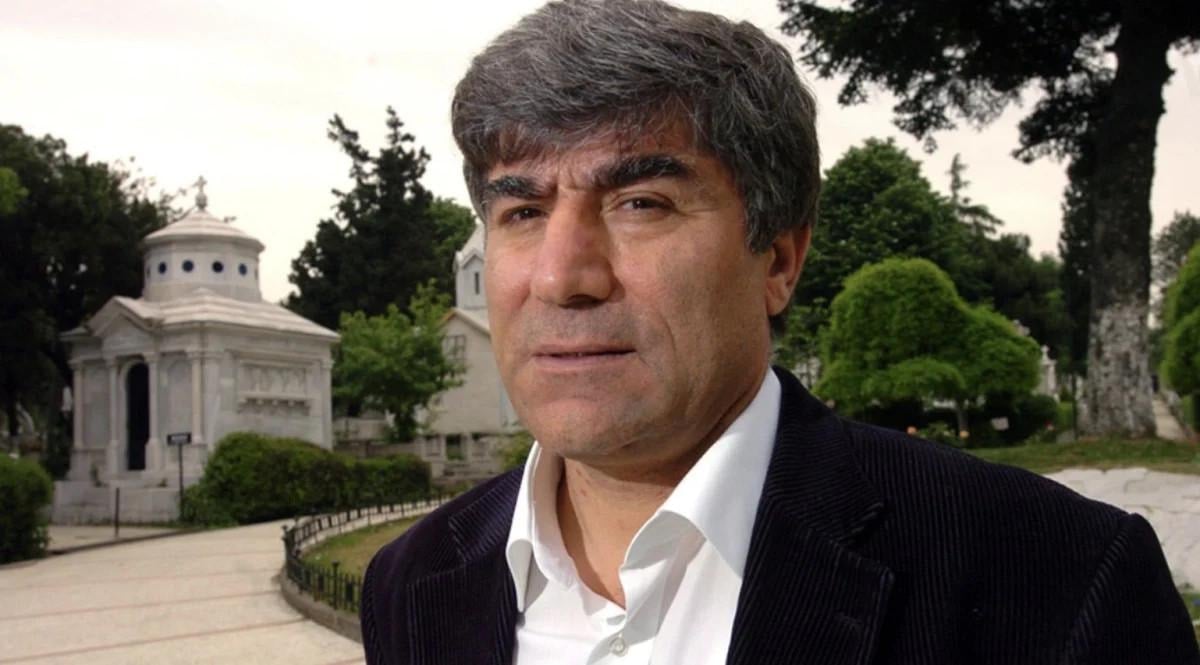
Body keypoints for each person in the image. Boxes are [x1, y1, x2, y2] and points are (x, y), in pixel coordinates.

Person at [361, 1, 1200, 663]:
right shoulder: (412, 584)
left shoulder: (1058, 584)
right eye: (522, 210)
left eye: (641, 203)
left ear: (780, 259)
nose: (561, 276)